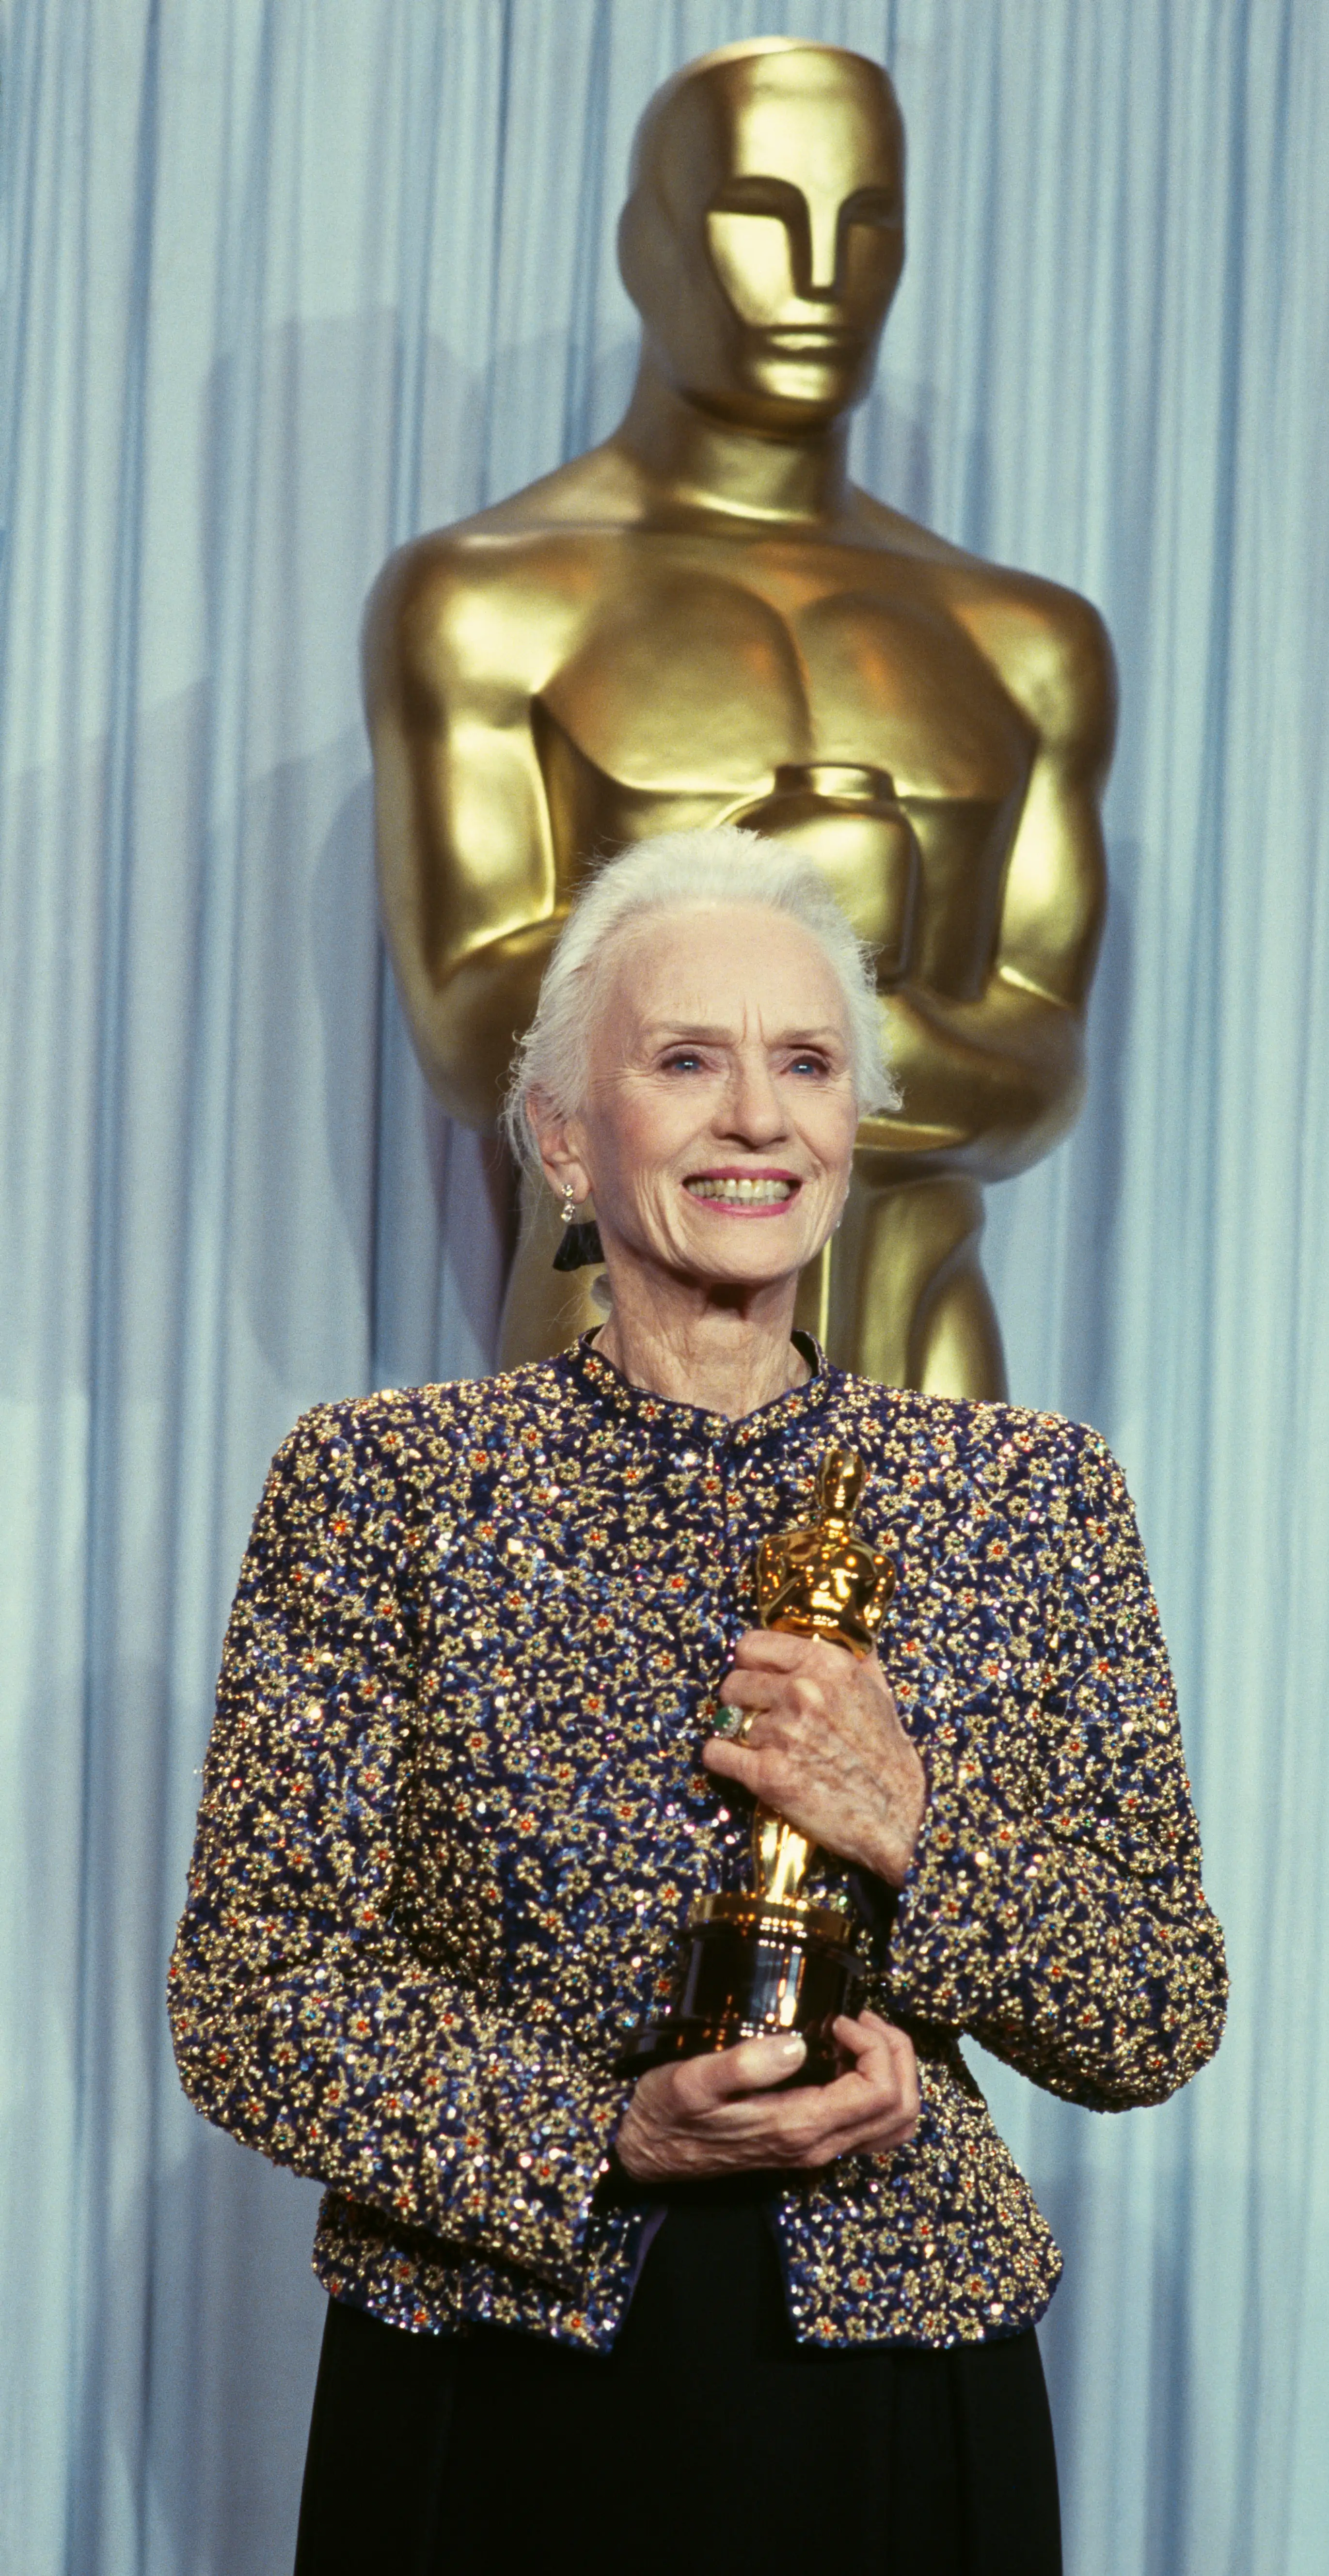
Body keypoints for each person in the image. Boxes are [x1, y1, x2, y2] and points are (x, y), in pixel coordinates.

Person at [168, 826, 1227, 2575]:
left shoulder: (1029, 1493)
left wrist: (911, 1830)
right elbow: (254, 1992)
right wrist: (606, 2133)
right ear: (568, 1139)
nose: (759, 1118)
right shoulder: (385, 1483)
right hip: (489, 2373)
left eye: (807, 1065)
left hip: (897, 2375)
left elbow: (1154, 2014)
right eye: (686, 1061)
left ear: (850, 1134)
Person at [364, 37, 1117, 1394]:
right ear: (645, 244)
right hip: (619, 1348)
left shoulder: (1023, 640)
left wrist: (719, 1020)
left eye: (864, 222)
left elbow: (1042, 1069)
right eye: (761, 214)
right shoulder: (489, 600)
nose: (820, 278)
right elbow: (477, 1030)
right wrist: (789, 934)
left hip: (927, 1350)